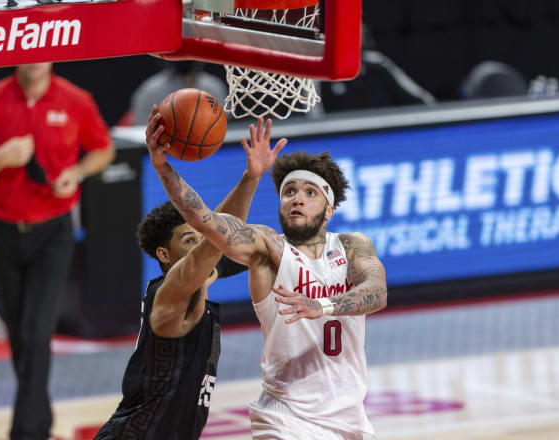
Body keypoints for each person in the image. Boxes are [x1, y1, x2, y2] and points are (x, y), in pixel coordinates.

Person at [146, 113, 388, 439]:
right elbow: (204, 219)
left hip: (350, 418)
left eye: (310, 192)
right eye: (289, 191)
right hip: (286, 418)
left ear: (330, 208)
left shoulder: (352, 246)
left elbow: (377, 291)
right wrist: (164, 168)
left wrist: (323, 306)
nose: (297, 198)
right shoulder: (267, 247)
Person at [94, 114, 287, 440]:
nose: (200, 243)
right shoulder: (170, 294)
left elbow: (222, 233)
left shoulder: (204, 274)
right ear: (164, 256)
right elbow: (213, 237)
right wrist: (165, 170)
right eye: (188, 240)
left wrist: (251, 178)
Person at [0, 62, 115, 440]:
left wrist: (76, 173)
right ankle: (40, 417)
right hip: (3, 231)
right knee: (19, 335)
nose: (34, 58)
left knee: (36, 330)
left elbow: (103, 150)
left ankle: (26, 432)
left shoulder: (76, 99)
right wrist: (1, 157)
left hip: (53, 232)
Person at [130, 61, 228, 125]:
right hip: (165, 147)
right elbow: (142, 128)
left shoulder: (213, 87)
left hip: (207, 145)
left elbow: (224, 123)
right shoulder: (151, 91)